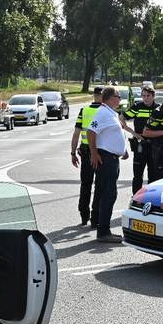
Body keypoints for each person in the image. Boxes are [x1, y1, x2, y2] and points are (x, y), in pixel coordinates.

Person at [88, 87, 129, 243]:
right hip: (105, 159)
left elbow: (112, 135)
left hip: (112, 158)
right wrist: (94, 153)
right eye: (118, 96)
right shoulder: (103, 113)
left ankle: (102, 227)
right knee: (109, 195)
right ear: (110, 98)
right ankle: (104, 231)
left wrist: (122, 150)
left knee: (105, 193)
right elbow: (91, 131)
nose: (119, 99)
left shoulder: (111, 113)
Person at [70, 87, 104, 226]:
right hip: (101, 152)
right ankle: (95, 217)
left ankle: (84, 215)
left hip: (85, 152)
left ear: (94, 95)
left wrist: (73, 153)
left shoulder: (84, 110)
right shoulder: (106, 111)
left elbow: (76, 134)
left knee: (86, 185)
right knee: (100, 186)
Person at [125, 85, 158, 194]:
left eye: (148, 96)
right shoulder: (137, 107)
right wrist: (133, 133)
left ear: (153, 96)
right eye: (143, 96)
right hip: (140, 146)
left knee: (153, 176)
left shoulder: (158, 109)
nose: (145, 98)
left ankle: (151, 199)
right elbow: (121, 118)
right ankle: (136, 200)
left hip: (154, 146)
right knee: (137, 175)